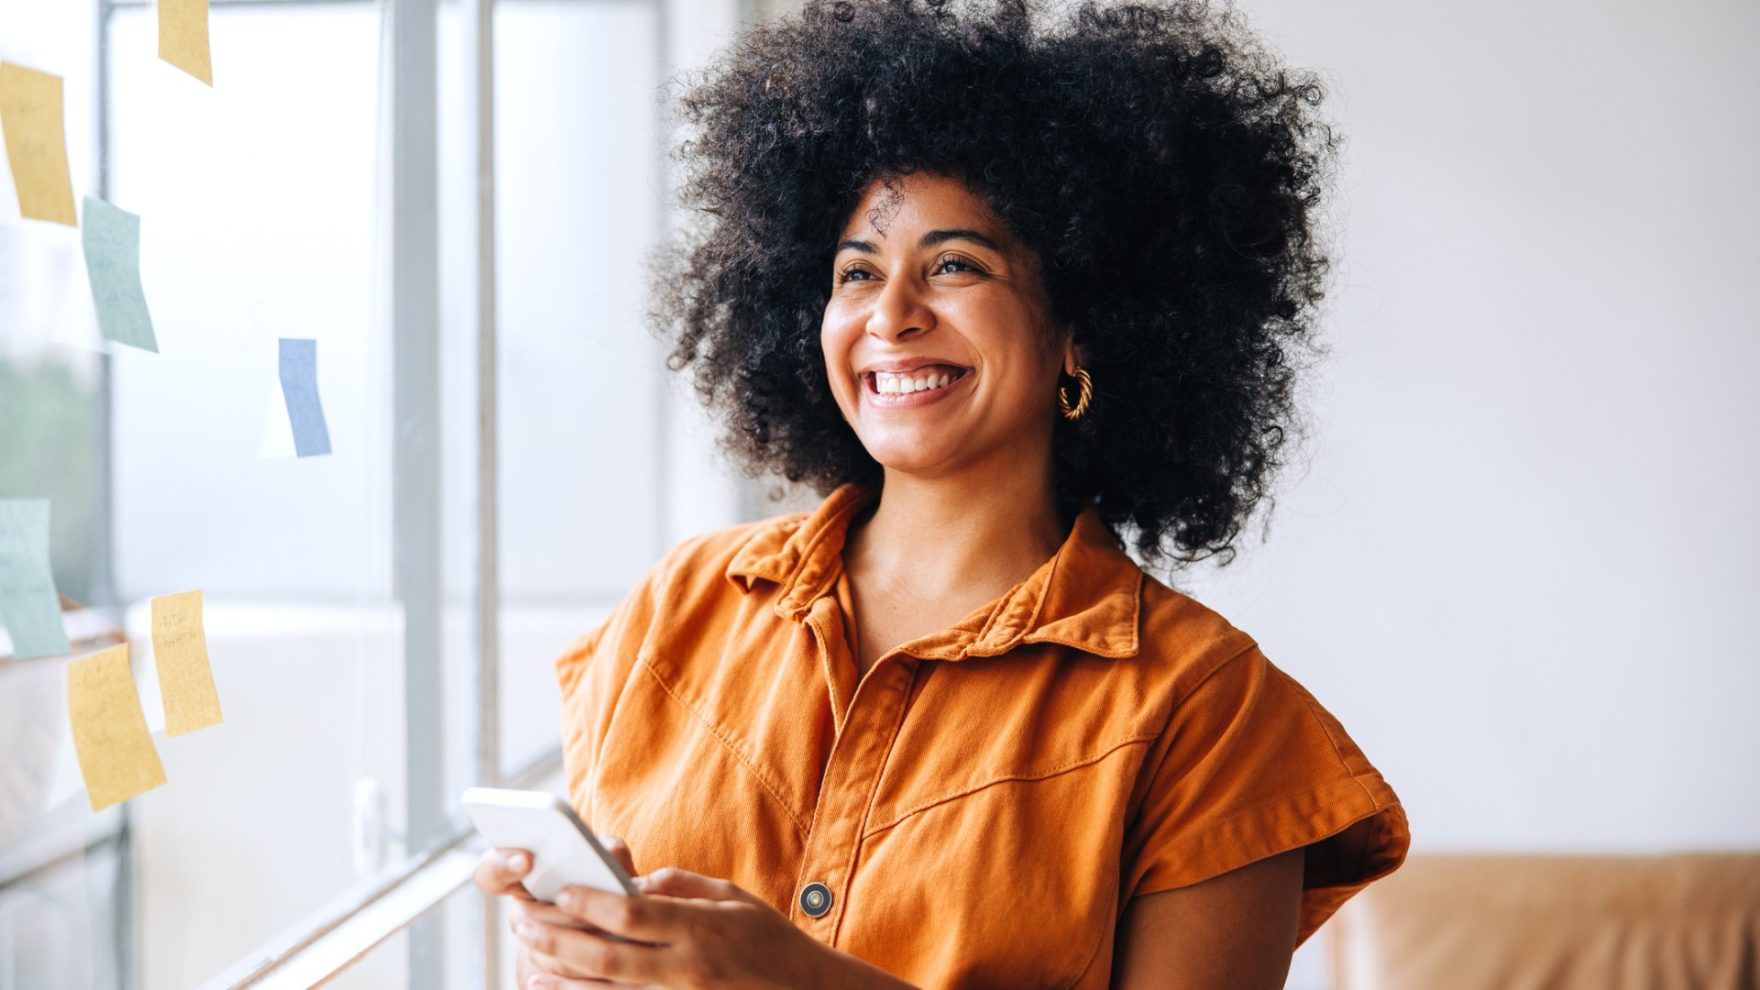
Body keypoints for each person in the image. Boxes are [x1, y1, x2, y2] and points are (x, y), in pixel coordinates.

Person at [474, 0, 1409, 985]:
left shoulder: (1208, 713)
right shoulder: (681, 606)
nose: (890, 315)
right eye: (855, 272)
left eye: (954, 265)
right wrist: (579, 951)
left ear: (1081, 331)